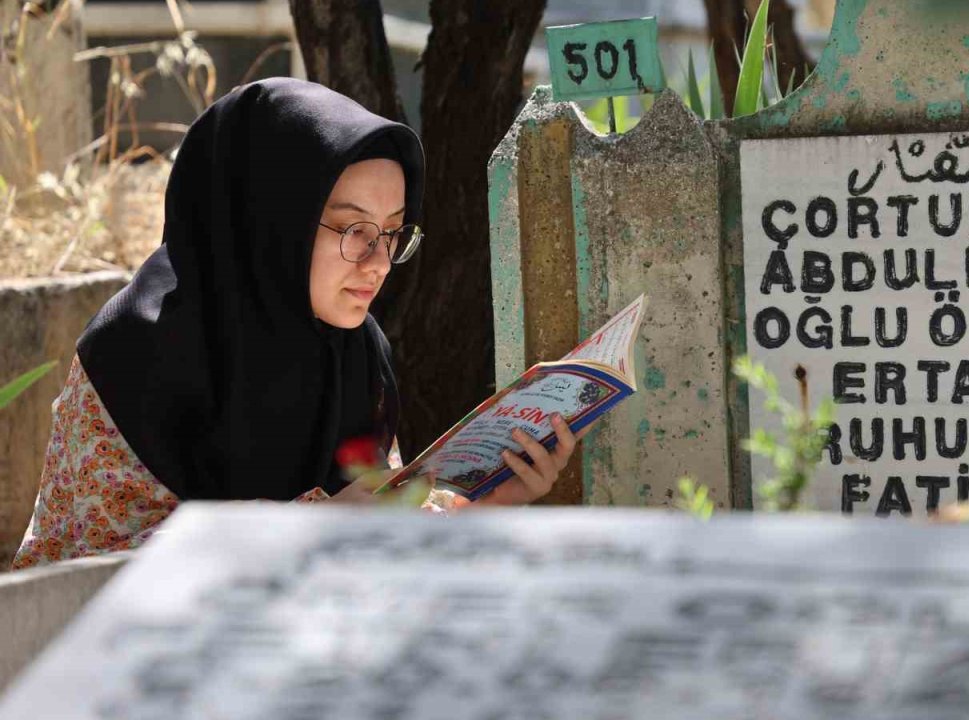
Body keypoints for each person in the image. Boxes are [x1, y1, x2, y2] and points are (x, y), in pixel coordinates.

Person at [11, 78, 579, 570]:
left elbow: (383, 531)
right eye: (353, 230)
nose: (379, 263)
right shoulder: (135, 353)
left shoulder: (356, 351)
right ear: (271, 221)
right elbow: (70, 582)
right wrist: (314, 527)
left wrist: (487, 504)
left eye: (392, 233)